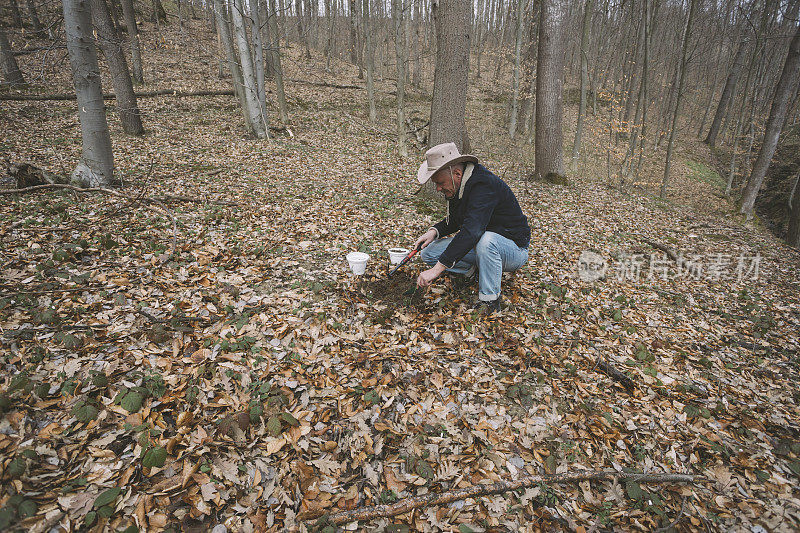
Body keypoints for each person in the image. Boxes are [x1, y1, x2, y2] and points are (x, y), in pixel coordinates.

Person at [413, 142, 531, 312]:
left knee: (486, 240)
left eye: (440, 183)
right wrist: (434, 231)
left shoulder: (484, 185)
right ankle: (476, 270)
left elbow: (472, 231)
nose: (438, 188)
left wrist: (437, 270)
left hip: (513, 249)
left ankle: (490, 301)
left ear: (457, 173)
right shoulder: (458, 186)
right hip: (482, 244)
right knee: (429, 253)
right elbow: (457, 220)